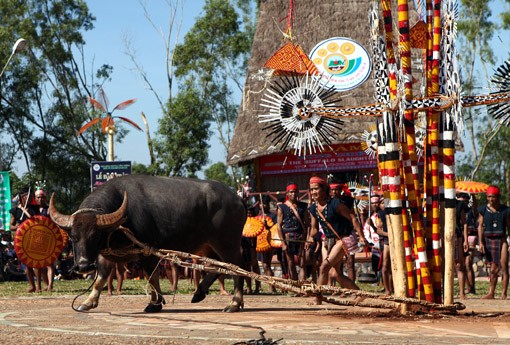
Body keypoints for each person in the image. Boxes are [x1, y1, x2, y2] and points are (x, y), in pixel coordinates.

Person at [306, 176, 367, 304]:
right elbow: (314, 229)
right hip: (330, 241)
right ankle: (360, 294)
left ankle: (318, 297)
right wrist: (310, 238)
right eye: (311, 190)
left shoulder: (336, 204)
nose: (313, 192)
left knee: (324, 267)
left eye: (316, 189)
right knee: (336, 274)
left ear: (324, 189)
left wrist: (361, 236)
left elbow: (353, 218)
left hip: (344, 238)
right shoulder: (313, 209)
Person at [478, 185, 510, 300]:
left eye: (493, 197)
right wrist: (481, 242)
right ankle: (491, 293)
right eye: (489, 197)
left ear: (498, 197)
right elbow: (480, 226)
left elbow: (509, 226)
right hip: (488, 240)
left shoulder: (505, 210)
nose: (491, 199)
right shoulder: (482, 210)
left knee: (504, 266)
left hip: (502, 240)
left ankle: (504, 293)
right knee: (493, 269)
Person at [9, 188, 41, 292]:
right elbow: (10, 226)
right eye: (26, 196)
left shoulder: (34, 209)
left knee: (36, 263)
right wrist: (17, 227)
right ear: (22, 197)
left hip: (34, 239)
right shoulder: (15, 210)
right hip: (22, 240)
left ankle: (39, 286)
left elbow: (39, 221)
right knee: (27, 264)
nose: (28, 197)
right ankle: (32, 285)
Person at [277, 182, 308, 282]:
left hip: (300, 236)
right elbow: (279, 226)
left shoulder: (303, 206)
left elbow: (307, 224)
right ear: (287, 193)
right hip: (288, 236)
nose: (293, 194)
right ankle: (295, 285)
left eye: (295, 192)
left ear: (298, 192)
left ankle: (303, 285)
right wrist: (283, 243)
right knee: (290, 262)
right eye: (291, 192)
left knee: (302, 262)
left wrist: (307, 239)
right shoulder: (282, 207)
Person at [34, 182, 55, 291]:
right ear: (35, 198)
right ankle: (41, 285)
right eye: (38, 197)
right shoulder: (32, 210)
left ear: (45, 198)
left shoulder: (49, 209)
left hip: (48, 238)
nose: (40, 199)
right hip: (35, 239)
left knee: (49, 264)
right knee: (38, 264)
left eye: (42, 197)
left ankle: (50, 285)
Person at [257, 195, 278, 293]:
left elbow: (275, 228)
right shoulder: (257, 216)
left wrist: (268, 226)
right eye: (261, 204)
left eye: (265, 204)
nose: (263, 205)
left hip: (269, 243)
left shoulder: (273, 216)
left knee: (266, 265)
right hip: (259, 243)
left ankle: (272, 287)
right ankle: (271, 286)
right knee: (265, 265)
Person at [455, 192, 470, 300]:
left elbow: (464, 223)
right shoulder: (438, 203)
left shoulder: (459, 205)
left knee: (460, 265)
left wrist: (465, 240)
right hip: (440, 236)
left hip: (457, 235)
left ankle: (462, 292)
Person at [465, 195, 478, 295]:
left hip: (471, 237)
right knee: (462, 265)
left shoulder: (471, 211)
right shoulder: (457, 209)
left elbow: (475, 207)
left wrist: (473, 196)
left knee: (468, 263)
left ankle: (471, 287)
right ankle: (468, 287)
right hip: (462, 237)